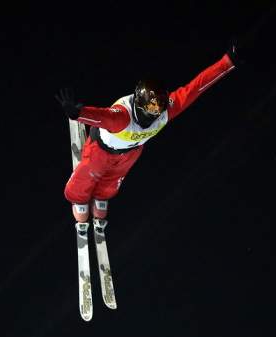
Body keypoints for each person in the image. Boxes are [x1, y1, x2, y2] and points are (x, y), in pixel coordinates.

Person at [55, 42, 240, 224]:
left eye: (158, 107)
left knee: (114, 179)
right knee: (90, 173)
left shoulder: (165, 112)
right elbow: (101, 116)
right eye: (151, 107)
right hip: (101, 149)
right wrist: (78, 113)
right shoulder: (122, 118)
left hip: (131, 152)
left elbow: (195, 88)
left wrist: (227, 62)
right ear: (139, 103)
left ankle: (102, 196)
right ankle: (79, 199)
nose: (154, 112)